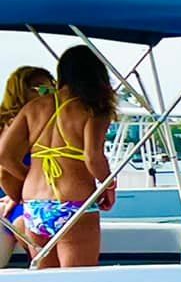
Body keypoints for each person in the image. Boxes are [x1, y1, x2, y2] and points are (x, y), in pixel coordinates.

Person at [0, 47, 116, 268]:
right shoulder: (94, 108)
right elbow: (92, 158)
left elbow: (4, 155)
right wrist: (109, 186)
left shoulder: (34, 107)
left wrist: (26, 180)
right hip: (73, 204)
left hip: (35, 206)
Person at [0, 65, 54, 265]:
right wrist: (26, 189)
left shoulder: (50, 122)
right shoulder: (17, 124)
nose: (45, 93)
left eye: (49, 88)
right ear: (20, 91)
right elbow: (4, 166)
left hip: (22, 199)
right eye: (37, 88)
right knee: (27, 225)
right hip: (21, 198)